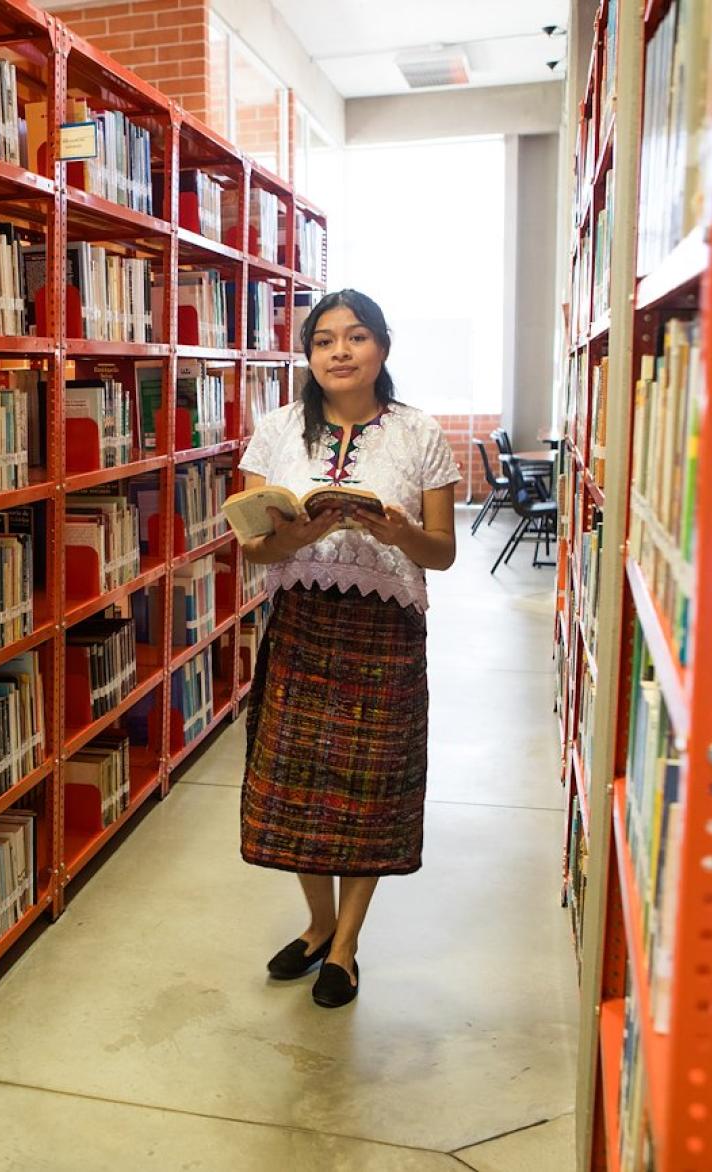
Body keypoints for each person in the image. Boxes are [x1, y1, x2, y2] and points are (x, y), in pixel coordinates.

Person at [237, 289, 459, 1008]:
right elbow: (251, 547)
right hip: (300, 622)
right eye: (324, 339)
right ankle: (316, 924)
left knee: (370, 793)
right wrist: (294, 537)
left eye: (356, 336)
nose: (339, 350)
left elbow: (445, 553)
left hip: (385, 629)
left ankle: (346, 946)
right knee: (296, 785)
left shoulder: (422, 434)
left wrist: (398, 534)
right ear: (307, 356)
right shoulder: (274, 432)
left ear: (382, 348)